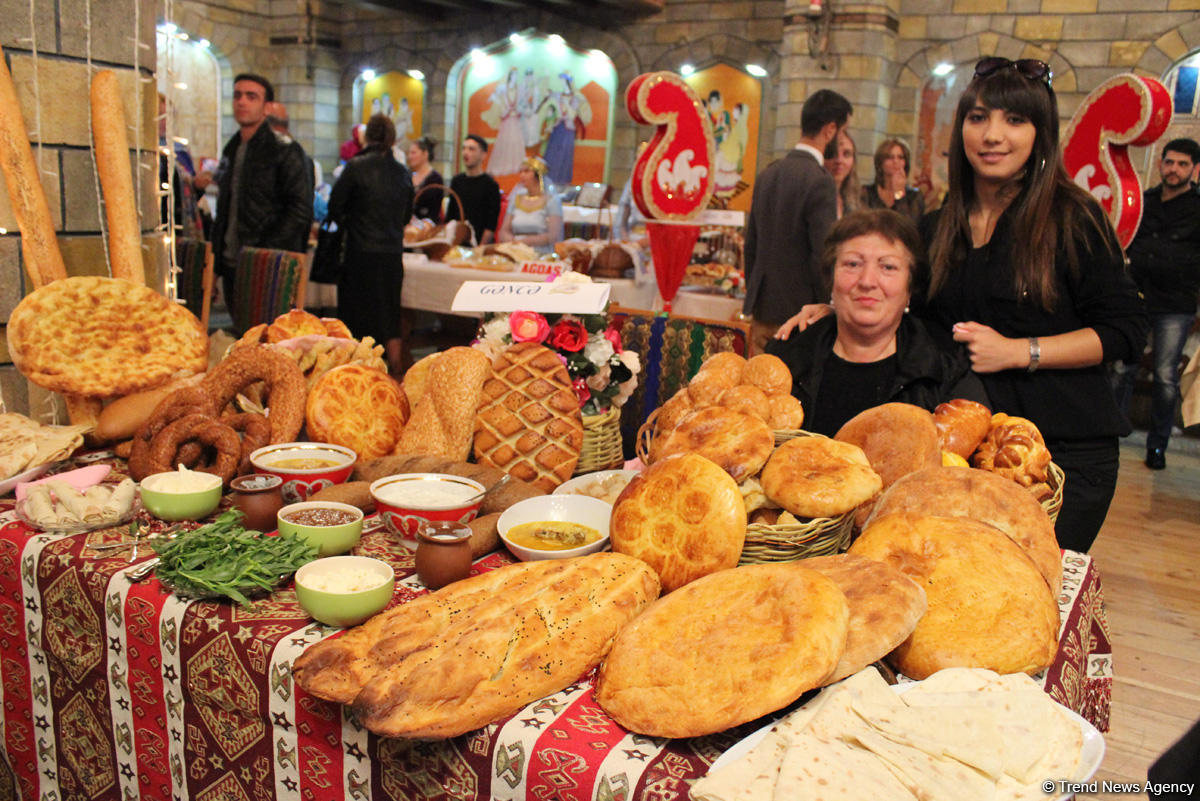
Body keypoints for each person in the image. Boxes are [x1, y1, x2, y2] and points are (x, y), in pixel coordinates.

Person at [778, 57, 1146, 553]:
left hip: (1060, 458)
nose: (993, 135)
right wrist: (835, 308)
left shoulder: (1072, 218)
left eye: (1014, 120)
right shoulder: (938, 226)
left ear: (1041, 132)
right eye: (979, 118)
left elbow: (1125, 331)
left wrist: (1021, 351)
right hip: (967, 457)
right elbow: (911, 312)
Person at [766, 209, 986, 435]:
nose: (867, 281)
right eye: (852, 264)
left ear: (910, 287)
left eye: (888, 267)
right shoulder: (786, 358)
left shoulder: (945, 371)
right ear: (831, 279)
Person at [1111, 138, 1200, 470]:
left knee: (1165, 376)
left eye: (1182, 164)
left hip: (1175, 304)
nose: (1173, 169)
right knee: (1122, 369)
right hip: (1136, 298)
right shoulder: (1144, 202)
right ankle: (1114, 436)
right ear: (1161, 163)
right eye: (1169, 162)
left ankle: (1157, 446)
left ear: (1194, 169)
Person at [742, 88, 852, 353]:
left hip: (762, 309)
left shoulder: (769, 173)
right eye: (843, 130)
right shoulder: (819, 180)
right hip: (799, 317)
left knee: (758, 385)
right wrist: (830, 305)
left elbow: (751, 245)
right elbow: (821, 255)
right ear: (830, 130)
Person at [210, 73, 313, 327]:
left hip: (268, 263)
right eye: (237, 95)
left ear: (266, 107)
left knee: (270, 340)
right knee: (241, 337)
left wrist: (265, 252)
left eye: (251, 96)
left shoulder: (285, 150)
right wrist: (215, 263)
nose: (242, 102)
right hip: (233, 260)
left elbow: (300, 209)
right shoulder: (232, 147)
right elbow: (224, 208)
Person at [326, 114, 414, 377]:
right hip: (391, 253)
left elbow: (334, 208)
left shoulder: (354, 167)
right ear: (391, 138)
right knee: (390, 314)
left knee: (356, 314)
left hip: (359, 253)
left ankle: (353, 372)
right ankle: (396, 373)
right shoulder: (402, 173)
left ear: (367, 137)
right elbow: (406, 216)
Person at [497, 155, 562, 254]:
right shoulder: (516, 198)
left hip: (540, 252)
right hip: (515, 250)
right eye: (521, 172)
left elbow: (553, 235)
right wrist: (511, 240)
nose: (522, 175)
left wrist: (525, 242)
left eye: (527, 171)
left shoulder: (551, 200)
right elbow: (504, 230)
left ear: (538, 175)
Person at [446, 134, 502, 245]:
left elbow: (491, 225)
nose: (465, 153)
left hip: (479, 244)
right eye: (464, 148)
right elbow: (450, 217)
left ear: (483, 155)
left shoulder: (490, 185)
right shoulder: (457, 181)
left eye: (471, 149)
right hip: (457, 242)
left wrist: (479, 249)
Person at [864, 138, 924, 222]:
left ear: (905, 162)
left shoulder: (914, 196)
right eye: (889, 157)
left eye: (900, 157)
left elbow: (908, 226)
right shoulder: (866, 192)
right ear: (880, 162)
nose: (896, 161)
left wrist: (899, 193)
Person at [824, 128, 862, 219]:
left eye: (846, 154)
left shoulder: (856, 199)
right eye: (833, 154)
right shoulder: (815, 196)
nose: (839, 160)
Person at [407, 136, 444, 222]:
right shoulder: (406, 175)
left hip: (427, 228)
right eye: (409, 153)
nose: (410, 157)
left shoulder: (435, 179)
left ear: (425, 154)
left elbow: (435, 210)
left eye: (413, 153)